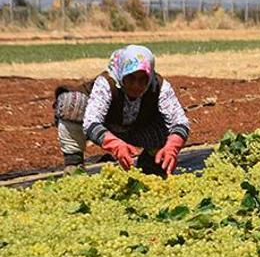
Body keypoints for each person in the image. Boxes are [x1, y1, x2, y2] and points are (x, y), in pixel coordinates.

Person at [53, 45, 190, 177]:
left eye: (143, 79)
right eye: (130, 78)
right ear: (121, 74)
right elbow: (91, 122)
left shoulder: (159, 86)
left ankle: (152, 166)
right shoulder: (106, 83)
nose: (136, 85)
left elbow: (180, 121)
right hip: (104, 127)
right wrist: (115, 145)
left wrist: (173, 145)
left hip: (138, 128)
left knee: (169, 124)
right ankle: (74, 166)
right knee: (72, 103)